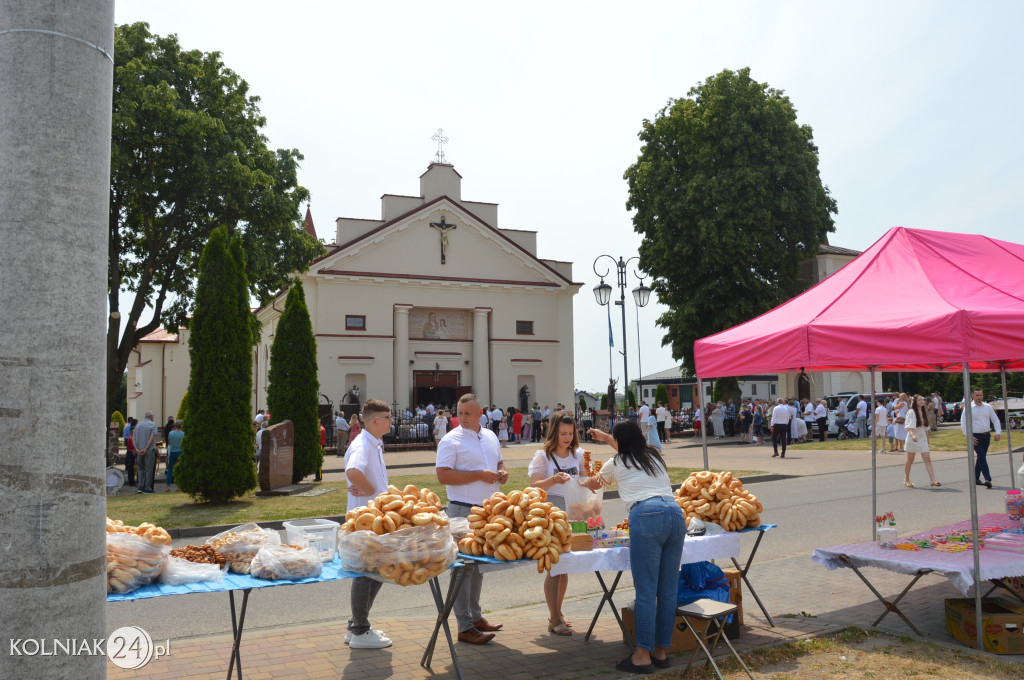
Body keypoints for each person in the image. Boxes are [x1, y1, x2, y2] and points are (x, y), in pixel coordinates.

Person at [584, 420, 683, 673]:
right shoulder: (653, 456)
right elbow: (623, 444)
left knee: (646, 592)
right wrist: (606, 437)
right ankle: (660, 652)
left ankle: (641, 656)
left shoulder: (617, 462)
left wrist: (581, 482)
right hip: (675, 513)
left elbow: (596, 483)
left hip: (647, 515)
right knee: (668, 590)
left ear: (620, 443)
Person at [436, 394, 508, 644]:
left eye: (468, 413)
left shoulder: (489, 435)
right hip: (462, 511)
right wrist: (478, 475)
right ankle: (464, 626)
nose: (462, 418)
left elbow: (497, 460)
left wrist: (502, 472)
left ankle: (475, 616)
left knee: (477, 568)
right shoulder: (450, 440)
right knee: (461, 571)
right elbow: (443, 476)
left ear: (480, 414)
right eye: (460, 412)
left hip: (487, 511)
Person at [528, 412, 585, 636]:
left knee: (565, 565)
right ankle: (553, 618)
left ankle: (559, 611)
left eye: (570, 433)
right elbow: (535, 485)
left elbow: (583, 479)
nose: (567, 438)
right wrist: (554, 479)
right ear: (554, 433)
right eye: (563, 433)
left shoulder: (577, 454)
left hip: (572, 510)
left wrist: (591, 481)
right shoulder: (544, 455)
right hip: (550, 512)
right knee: (554, 565)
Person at [344, 399, 394, 648]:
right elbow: (353, 471)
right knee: (367, 574)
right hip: (366, 521)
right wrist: (371, 491)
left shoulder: (372, 443)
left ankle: (355, 625)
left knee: (373, 573)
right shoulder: (363, 444)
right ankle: (360, 631)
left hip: (373, 520)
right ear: (375, 420)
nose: (391, 421)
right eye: (388, 417)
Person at [961, 388, 1002, 489]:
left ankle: (975, 478)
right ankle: (988, 479)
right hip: (976, 437)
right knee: (982, 457)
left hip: (986, 435)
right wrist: (969, 436)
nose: (979, 397)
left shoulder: (987, 407)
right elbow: (963, 423)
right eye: (977, 395)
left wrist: (998, 433)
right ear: (973, 396)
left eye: (981, 395)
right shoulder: (968, 408)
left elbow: (995, 419)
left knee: (981, 457)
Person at [903, 394, 939, 487]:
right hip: (912, 439)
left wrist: (927, 440)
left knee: (927, 459)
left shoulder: (924, 412)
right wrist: (913, 435)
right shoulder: (911, 412)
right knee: (910, 459)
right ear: (915, 402)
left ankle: (933, 480)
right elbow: (909, 427)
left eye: (922, 400)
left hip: (922, 438)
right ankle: (906, 479)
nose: (921, 401)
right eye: (919, 400)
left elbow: (926, 428)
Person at [133, 411, 159, 494]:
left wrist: (136, 449)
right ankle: (147, 487)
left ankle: (140, 486)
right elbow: (152, 439)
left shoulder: (138, 425)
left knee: (140, 468)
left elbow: (133, 438)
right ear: (151, 417)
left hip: (139, 450)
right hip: (149, 450)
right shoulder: (153, 424)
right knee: (148, 469)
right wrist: (146, 448)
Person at [164, 420, 184, 492]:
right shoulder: (183, 434)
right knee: (179, 469)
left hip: (172, 451)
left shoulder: (171, 433)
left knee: (170, 469)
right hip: (180, 451)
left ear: (175, 425)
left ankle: (168, 486)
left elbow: (169, 443)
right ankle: (178, 486)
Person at [124, 418, 137, 487]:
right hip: (131, 453)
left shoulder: (131, 436)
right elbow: (132, 448)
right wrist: (135, 457)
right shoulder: (131, 437)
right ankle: (131, 482)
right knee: (131, 469)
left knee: (131, 468)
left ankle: (131, 482)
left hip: (130, 453)